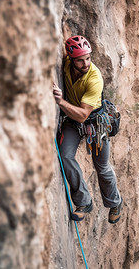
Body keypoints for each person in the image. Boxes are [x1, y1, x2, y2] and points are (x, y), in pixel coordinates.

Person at [53, 35, 122, 224]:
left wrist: (60, 102)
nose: (85, 63)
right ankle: (83, 202)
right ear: (71, 58)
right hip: (73, 122)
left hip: (94, 123)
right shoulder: (66, 64)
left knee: (102, 168)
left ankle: (115, 202)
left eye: (88, 58)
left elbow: (83, 115)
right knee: (65, 156)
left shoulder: (94, 78)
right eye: (80, 60)